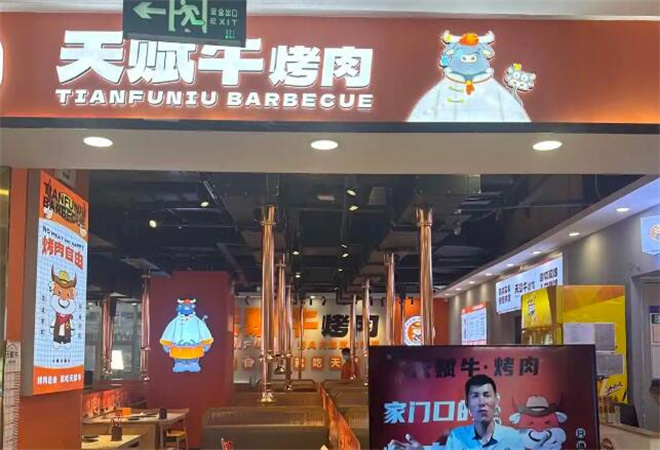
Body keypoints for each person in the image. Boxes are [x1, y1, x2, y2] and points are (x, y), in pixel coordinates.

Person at [386, 374, 522, 450]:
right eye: (475, 396)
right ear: (467, 404)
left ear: (496, 401)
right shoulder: (456, 437)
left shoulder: (513, 438)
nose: (482, 402)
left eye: (487, 395)